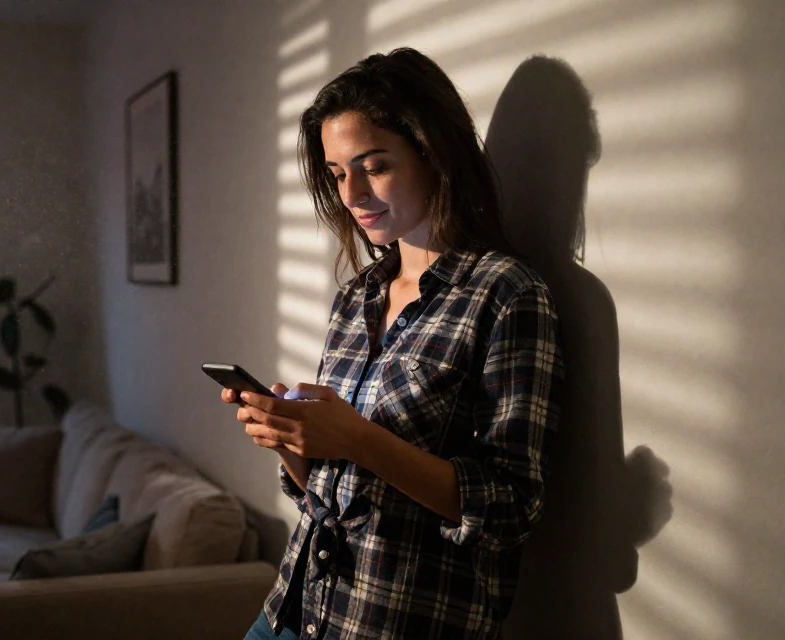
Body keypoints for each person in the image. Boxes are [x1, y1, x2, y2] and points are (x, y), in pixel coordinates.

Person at [226, 48, 564, 639]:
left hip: (396, 622)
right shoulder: (357, 299)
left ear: (434, 155)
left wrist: (356, 437)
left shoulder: (505, 295)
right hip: (293, 611)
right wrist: (292, 437)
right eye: (336, 173)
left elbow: (510, 507)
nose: (351, 193)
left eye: (373, 165)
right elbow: (336, 493)